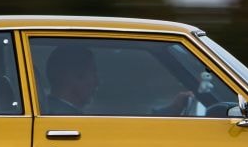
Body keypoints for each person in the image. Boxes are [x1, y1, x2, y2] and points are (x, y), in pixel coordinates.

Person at [43, 43, 194, 116]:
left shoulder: (56, 112)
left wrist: (173, 109)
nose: (97, 82)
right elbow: (130, 133)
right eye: (93, 73)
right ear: (72, 77)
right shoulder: (62, 117)